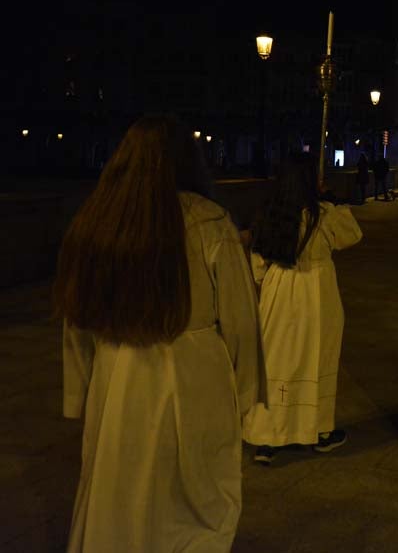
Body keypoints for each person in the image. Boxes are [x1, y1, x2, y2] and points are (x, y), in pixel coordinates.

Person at [55, 115, 264, 552]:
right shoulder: (209, 222)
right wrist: (245, 393)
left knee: (120, 490)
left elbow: (76, 317)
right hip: (192, 379)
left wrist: (80, 392)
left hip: (116, 379)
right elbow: (240, 318)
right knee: (193, 499)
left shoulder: (97, 221)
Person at [243, 152, 362, 465]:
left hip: (278, 293)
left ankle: (267, 438)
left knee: (275, 362)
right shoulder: (323, 216)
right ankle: (319, 430)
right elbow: (353, 235)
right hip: (317, 295)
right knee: (317, 358)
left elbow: (257, 265)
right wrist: (331, 200)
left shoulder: (271, 215)